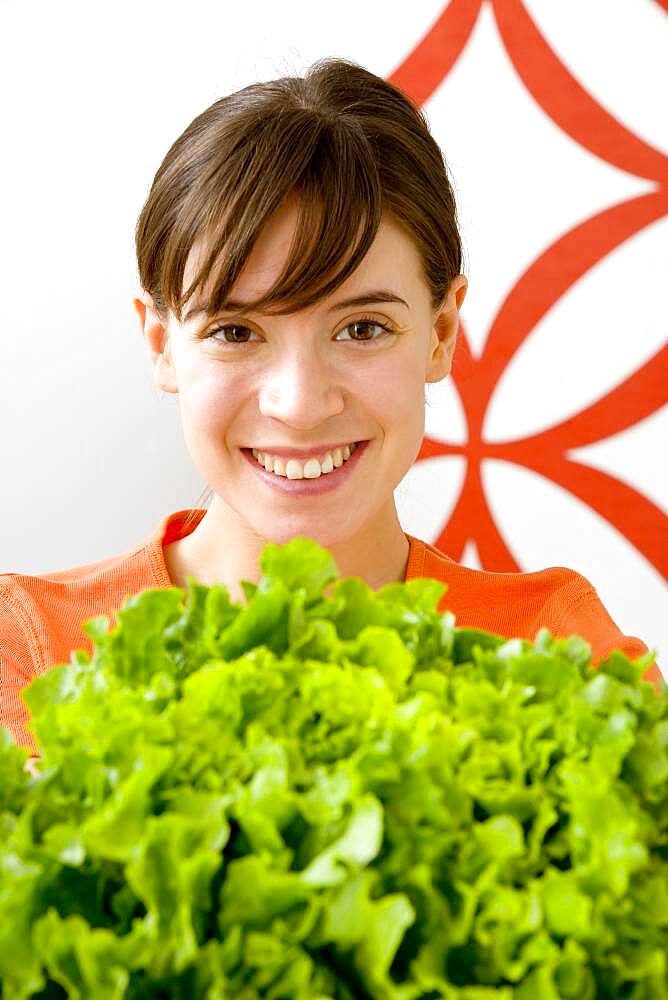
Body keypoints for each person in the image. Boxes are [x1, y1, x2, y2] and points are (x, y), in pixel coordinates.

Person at [0, 58, 662, 756]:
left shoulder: (561, 657)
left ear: (441, 333)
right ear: (162, 343)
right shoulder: (29, 652)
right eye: (235, 332)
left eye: (362, 329)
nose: (301, 404)